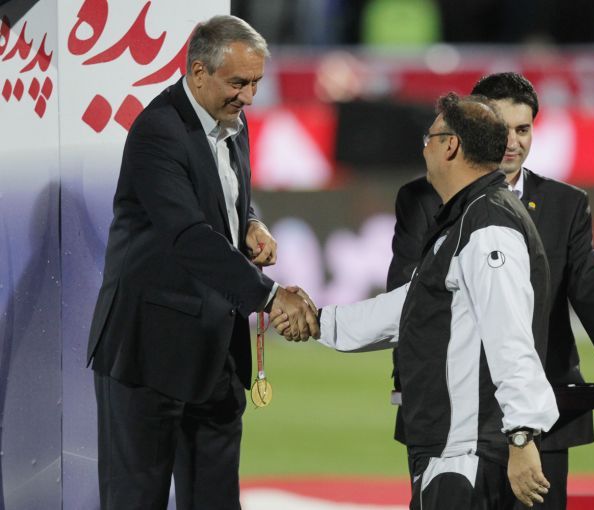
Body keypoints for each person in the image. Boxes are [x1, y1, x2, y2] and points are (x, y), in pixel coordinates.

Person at [275, 92, 559, 509]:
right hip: (452, 448)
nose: (424, 148)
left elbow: (510, 336)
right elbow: (413, 307)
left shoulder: (488, 227)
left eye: (430, 138)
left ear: (451, 146)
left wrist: (520, 434)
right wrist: (320, 321)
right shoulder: (467, 219)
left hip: (467, 452)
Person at [86, 15, 318, 510]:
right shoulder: (158, 131)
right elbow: (188, 236)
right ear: (197, 72)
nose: (249, 96)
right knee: (136, 500)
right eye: (238, 83)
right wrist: (270, 295)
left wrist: (250, 223)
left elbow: (222, 202)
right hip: (148, 353)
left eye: (255, 82)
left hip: (215, 353)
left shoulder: (234, 124)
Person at [386, 72, 594, 509]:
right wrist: (408, 374)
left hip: (544, 413)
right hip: (450, 414)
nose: (512, 142)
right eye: (502, 129)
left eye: (523, 129)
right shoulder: (423, 199)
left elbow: (591, 288)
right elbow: (405, 294)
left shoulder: (566, 204)